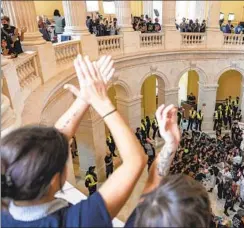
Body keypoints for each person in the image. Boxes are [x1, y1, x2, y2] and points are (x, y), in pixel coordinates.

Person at [1, 55, 147, 227]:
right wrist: (101, 102)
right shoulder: (79, 221)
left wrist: (84, 98)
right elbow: (136, 161)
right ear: (55, 180)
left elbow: (51, 145)